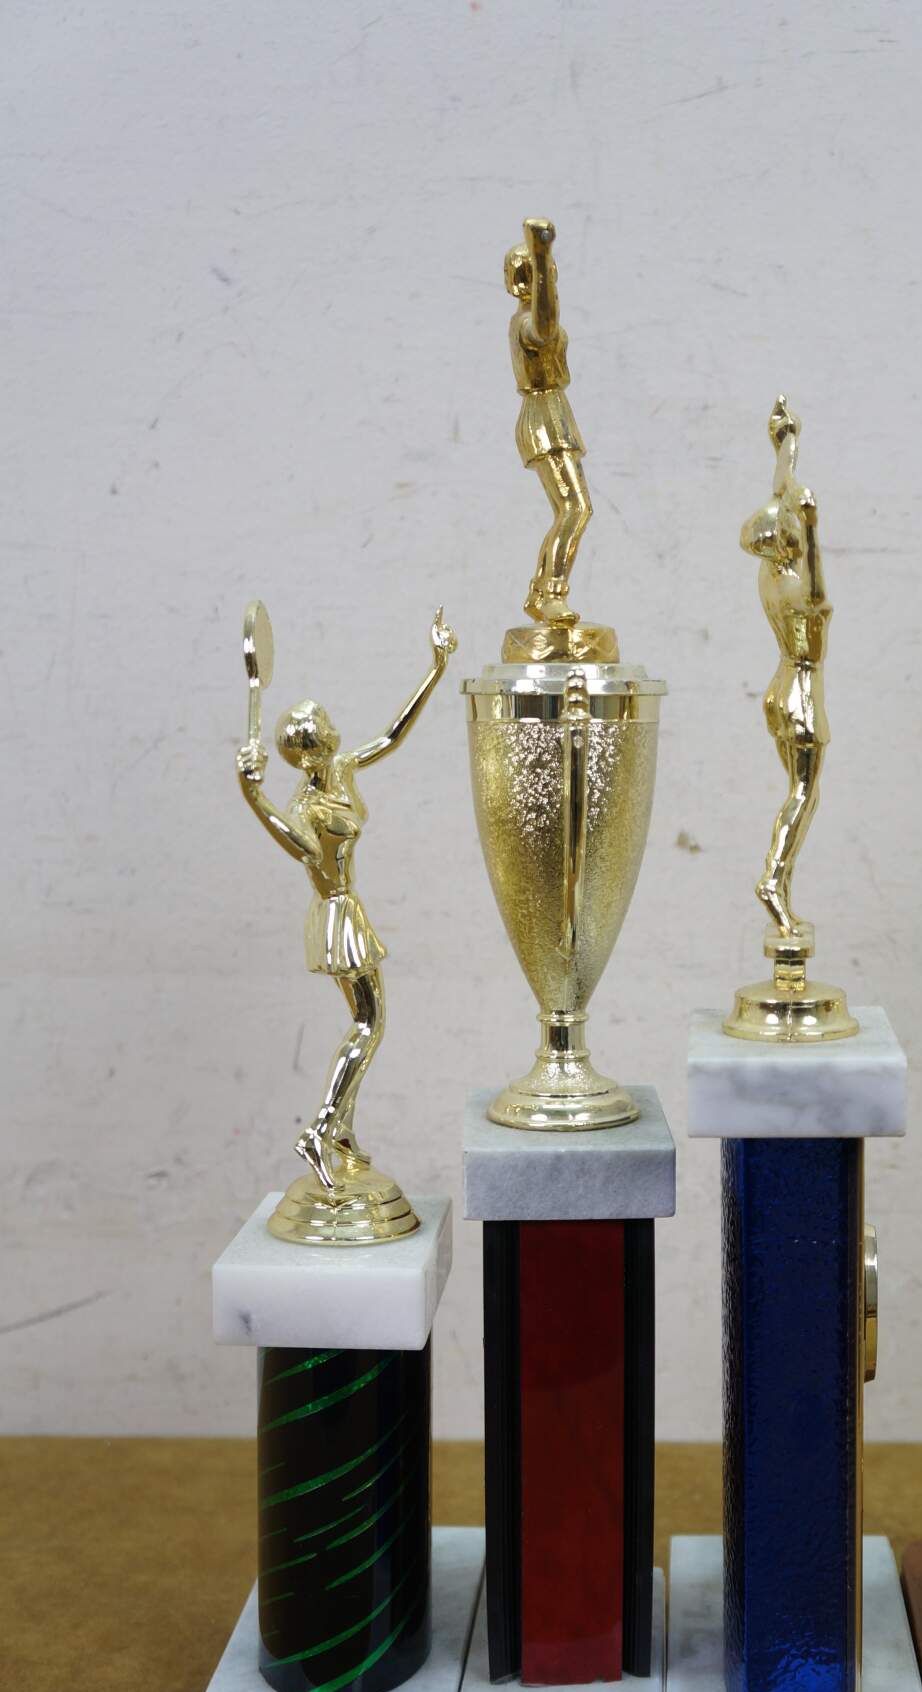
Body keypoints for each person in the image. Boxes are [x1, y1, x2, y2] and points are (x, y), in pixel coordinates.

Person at [235, 613, 455, 1193]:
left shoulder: (340, 770)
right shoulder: (305, 806)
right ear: (311, 745)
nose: (334, 729)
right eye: (324, 725)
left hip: (347, 908)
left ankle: (342, 1135)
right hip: (336, 913)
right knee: (369, 1021)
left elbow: (392, 735)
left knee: (366, 1019)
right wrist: (253, 797)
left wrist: (435, 670)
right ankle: (322, 1127)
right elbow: (300, 847)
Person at [740, 397, 833, 939]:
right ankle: (774, 880)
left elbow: (781, 495)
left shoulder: (769, 578)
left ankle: (778, 882)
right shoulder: (800, 586)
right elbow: (820, 593)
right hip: (801, 690)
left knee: (798, 792)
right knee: (804, 794)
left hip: (779, 688)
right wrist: (815, 528)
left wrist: (785, 444)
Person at [505, 216, 592, 625]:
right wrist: (541, 253)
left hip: (553, 413)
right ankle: (550, 592)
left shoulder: (524, 319)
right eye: (543, 273)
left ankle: (542, 592)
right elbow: (546, 324)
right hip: (544, 417)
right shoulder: (527, 322)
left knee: (572, 509)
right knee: (575, 508)